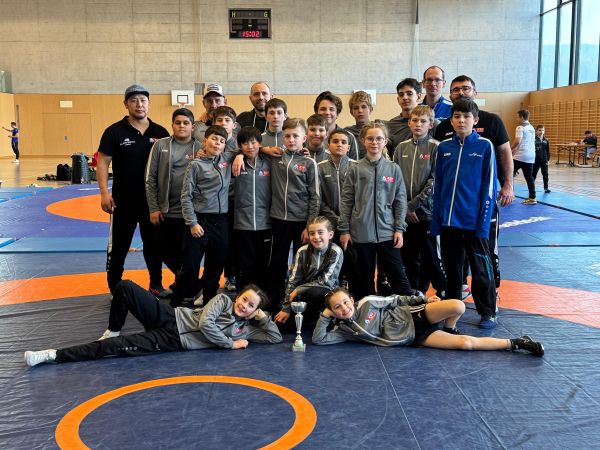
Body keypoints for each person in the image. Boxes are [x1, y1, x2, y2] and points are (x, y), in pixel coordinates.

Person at [24, 280, 282, 366]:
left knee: (116, 348)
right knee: (126, 287)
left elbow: (274, 337)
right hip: (170, 317)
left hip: (173, 340)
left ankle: (51, 355)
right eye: (244, 299)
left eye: (251, 306)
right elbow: (205, 324)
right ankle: (112, 330)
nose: (244, 306)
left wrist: (262, 318)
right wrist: (229, 344)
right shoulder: (223, 300)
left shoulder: (246, 329)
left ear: (254, 311)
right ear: (238, 296)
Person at [434, 75, 514, 296]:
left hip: (480, 206)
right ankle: (458, 292)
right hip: (453, 212)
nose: (461, 92)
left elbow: (505, 152)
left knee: (485, 254)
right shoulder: (444, 129)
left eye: (466, 88)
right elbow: (441, 172)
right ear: (450, 95)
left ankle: (490, 295)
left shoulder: (492, 121)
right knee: (454, 260)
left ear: (475, 92)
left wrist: (508, 185)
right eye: (456, 89)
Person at [312, 287, 544, 358]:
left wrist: (423, 300)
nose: (344, 308)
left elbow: (396, 299)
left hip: (413, 315)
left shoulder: (367, 303)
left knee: (458, 306)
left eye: (345, 302)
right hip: (415, 337)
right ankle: (516, 342)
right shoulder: (344, 330)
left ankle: (450, 327)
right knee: (465, 344)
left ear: (352, 299)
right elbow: (319, 339)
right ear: (332, 312)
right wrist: (325, 316)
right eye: (337, 307)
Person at [431, 99, 498, 329]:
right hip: (449, 222)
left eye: (466, 116)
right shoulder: (443, 148)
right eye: (457, 116)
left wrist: (483, 224)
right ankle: (451, 310)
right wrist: (437, 222)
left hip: (474, 223)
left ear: (475, 120)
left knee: (481, 270)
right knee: (453, 272)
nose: (461, 121)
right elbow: (438, 186)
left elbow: (489, 188)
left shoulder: (485, 146)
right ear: (451, 120)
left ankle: (487, 311)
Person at [97, 84, 170, 296]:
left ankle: (156, 284)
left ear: (149, 103)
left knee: (154, 245)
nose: (139, 104)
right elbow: (102, 162)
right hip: (124, 201)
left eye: (143, 100)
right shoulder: (114, 131)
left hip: (152, 203)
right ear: (126, 104)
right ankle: (115, 286)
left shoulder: (160, 132)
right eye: (134, 101)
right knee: (120, 246)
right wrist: (104, 193)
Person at [338, 122, 413, 300]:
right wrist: (344, 230)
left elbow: (400, 201)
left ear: (385, 141)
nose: (374, 142)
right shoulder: (355, 169)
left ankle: (409, 309)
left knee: (398, 277)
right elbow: (346, 201)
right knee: (363, 279)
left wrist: (399, 229)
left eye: (379, 138)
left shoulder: (393, 169)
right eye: (370, 139)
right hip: (361, 233)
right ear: (363, 141)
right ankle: (366, 311)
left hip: (388, 232)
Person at [170, 125, 240, 306]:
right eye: (214, 139)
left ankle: (209, 300)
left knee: (215, 265)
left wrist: (239, 156)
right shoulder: (195, 165)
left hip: (220, 221)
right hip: (199, 220)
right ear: (205, 141)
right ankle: (178, 301)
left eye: (222, 141)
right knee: (190, 265)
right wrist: (192, 223)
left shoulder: (227, 159)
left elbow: (249, 148)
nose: (217, 143)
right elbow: (186, 196)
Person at [392, 105, 446, 297]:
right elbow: (396, 180)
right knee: (409, 255)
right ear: (409, 123)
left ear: (431, 124)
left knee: (431, 256)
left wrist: (413, 205)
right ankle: (415, 291)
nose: (418, 124)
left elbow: (435, 180)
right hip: (405, 213)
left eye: (423, 121)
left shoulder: (436, 147)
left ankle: (443, 289)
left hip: (427, 213)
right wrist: (404, 208)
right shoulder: (401, 148)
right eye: (415, 120)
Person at [145, 108, 200, 289]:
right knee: (163, 249)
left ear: (193, 127)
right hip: (166, 211)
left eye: (186, 123)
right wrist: (154, 207)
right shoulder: (160, 145)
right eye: (178, 123)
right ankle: (189, 285)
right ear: (172, 125)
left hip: (191, 212)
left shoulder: (200, 147)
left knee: (189, 254)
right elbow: (150, 178)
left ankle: (185, 287)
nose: (182, 126)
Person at [268, 118, 320, 309]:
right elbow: (250, 149)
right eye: (287, 136)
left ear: (304, 138)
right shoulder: (275, 158)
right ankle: (274, 301)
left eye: (295, 136)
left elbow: (315, 196)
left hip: (301, 222)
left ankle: (300, 302)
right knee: (277, 263)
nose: (291, 140)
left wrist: (309, 226)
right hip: (278, 219)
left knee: (302, 264)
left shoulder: (309, 162)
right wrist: (265, 149)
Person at [274, 216, 343, 328]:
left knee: (316, 292)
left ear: (330, 234)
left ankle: (327, 318)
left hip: (326, 294)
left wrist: (299, 289)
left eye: (320, 232)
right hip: (303, 296)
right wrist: (286, 308)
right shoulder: (302, 251)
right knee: (281, 325)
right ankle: (309, 318)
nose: (316, 237)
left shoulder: (336, 251)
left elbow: (326, 281)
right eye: (312, 233)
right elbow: (293, 281)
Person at [233, 126, 272, 291]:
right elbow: (223, 154)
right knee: (244, 264)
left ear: (260, 144)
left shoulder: (269, 162)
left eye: (253, 142)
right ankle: (243, 296)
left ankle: (262, 298)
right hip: (242, 224)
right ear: (240, 146)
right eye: (245, 143)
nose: (250, 147)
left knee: (263, 263)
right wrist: (238, 155)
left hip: (265, 223)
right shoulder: (235, 162)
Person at [314, 91, 359, 160]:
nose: (327, 112)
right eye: (323, 109)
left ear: (337, 114)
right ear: (316, 112)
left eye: (331, 109)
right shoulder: (308, 136)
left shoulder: (349, 137)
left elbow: (355, 164)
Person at [387, 78, 424, 154]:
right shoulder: (391, 125)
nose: (404, 97)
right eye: (401, 95)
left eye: (409, 94)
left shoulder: (431, 123)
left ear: (419, 97)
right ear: (398, 100)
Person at [511, 109, 537, 205]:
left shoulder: (520, 127)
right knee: (529, 177)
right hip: (530, 156)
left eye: (517, 117)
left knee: (507, 174)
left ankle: (510, 194)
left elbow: (518, 141)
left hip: (521, 156)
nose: (516, 119)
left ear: (521, 117)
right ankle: (532, 198)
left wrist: (509, 149)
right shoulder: (531, 128)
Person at [345, 90, 374, 159]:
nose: (360, 111)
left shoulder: (379, 130)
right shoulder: (347, 133)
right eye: (356, 108)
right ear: (351, 112)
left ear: (371, 109)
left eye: (363, 107)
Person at [533, 124, 551, 193]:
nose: (541, 132)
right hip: (535, 160)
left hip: (544, 160)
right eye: (539, 130)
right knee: (533, 174)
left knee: (545, 174)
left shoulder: (546, 140)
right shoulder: (533, 140)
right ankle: (531, 188)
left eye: (543, 130)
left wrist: (548, 160)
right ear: (536, 131)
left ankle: (546, 188)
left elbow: (548, 151)